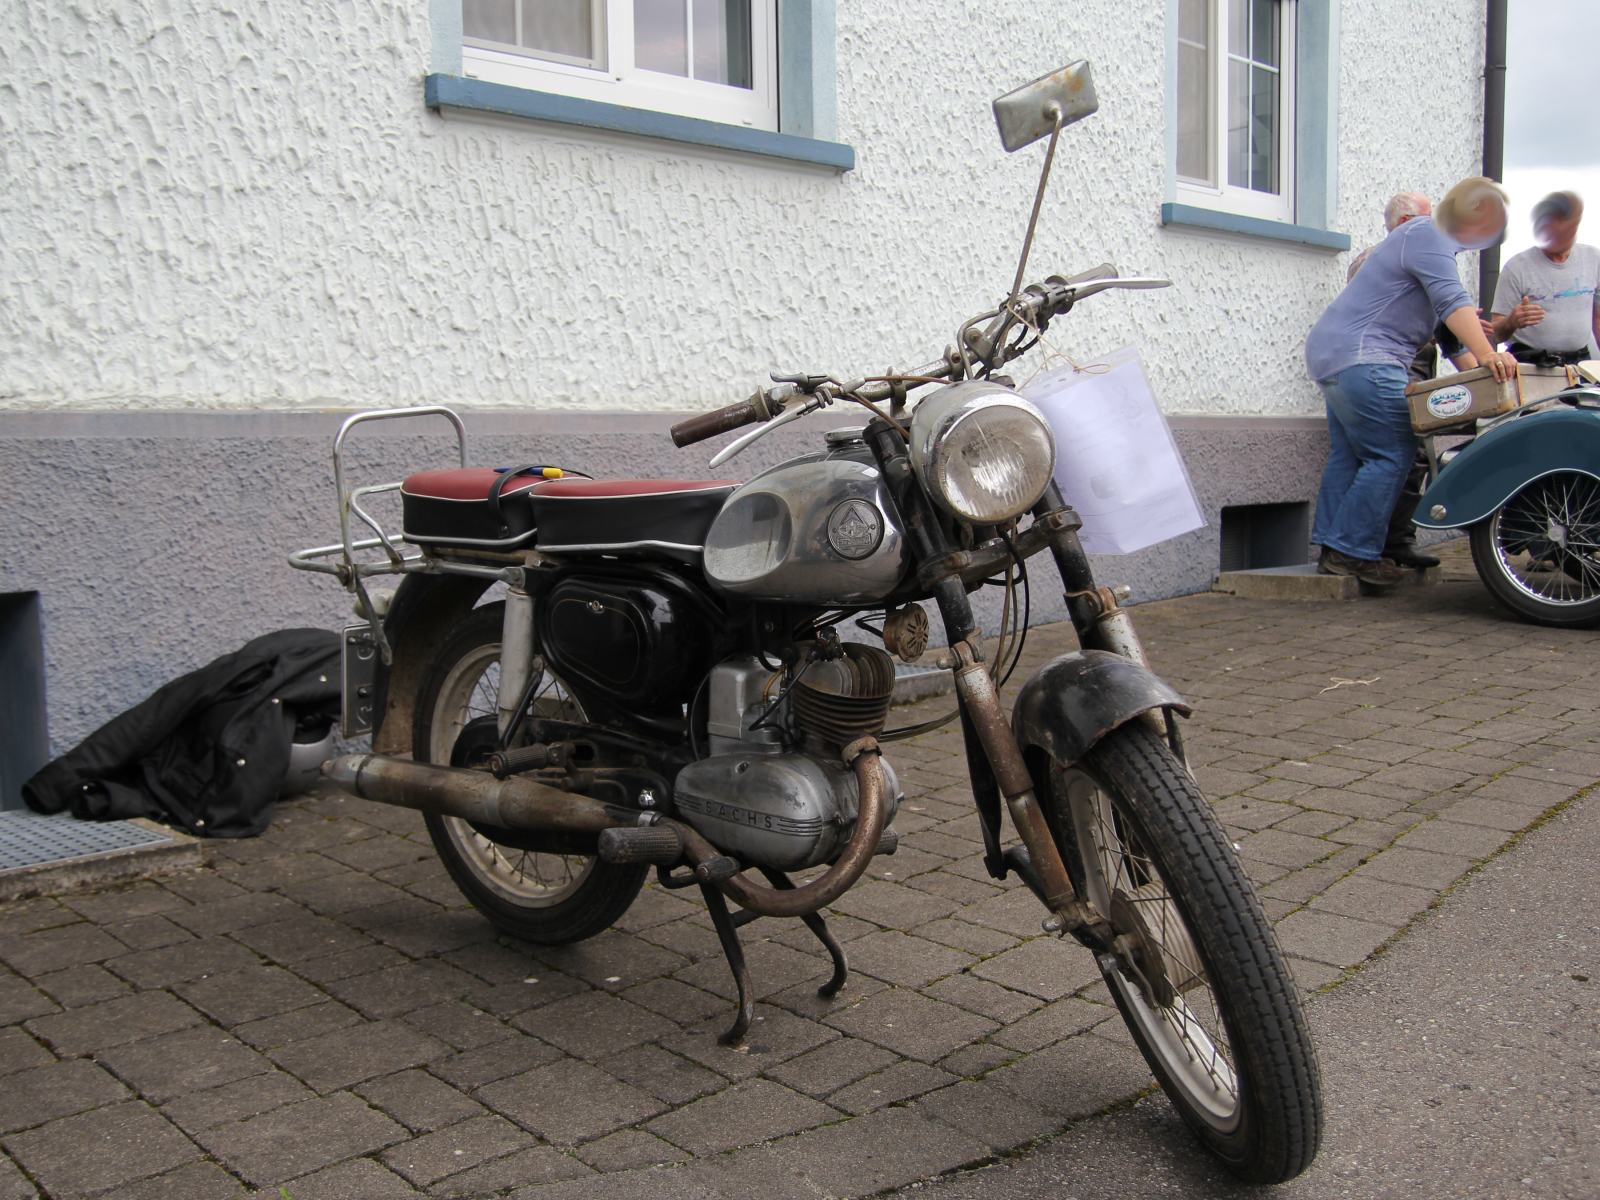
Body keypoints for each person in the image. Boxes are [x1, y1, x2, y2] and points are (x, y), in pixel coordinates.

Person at [1305, 178, 1518, 585]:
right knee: (1393, 451)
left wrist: (1482, 374)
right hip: (1365, 357)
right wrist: (1491, 355)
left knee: (1350, 455)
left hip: (1335, 355)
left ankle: (1333, 549)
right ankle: (1351, 552)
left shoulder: (1427, 245)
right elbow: (1453, 301)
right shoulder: (1428, 232)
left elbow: (1450, 336)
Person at [1346, 192, 1478, 570]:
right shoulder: (1372, 261)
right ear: (1405, 223)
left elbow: (1449, 332)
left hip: (1416, 364)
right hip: (1390, 365)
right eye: (1428, 218)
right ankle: (1385, 545)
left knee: (1420, 451)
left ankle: (1397, 540)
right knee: (1407, 449)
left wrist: (1482, 374)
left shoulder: (1422, 257)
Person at [1489, 191, 1600, 365]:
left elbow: (1598, 320)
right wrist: (1511, 321)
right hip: (1532, 365)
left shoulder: (1593, 258)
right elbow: (1494, 335)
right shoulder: (1516, 268)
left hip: (1580, 364)